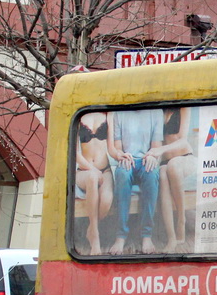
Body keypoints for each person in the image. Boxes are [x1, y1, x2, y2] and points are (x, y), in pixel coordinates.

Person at [106, 108, 164, 254]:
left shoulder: (156, 111)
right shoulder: (120, 113)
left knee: (151, 174)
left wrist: (152, 155)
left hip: (146, 159)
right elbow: (117, 147)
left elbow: (156, 146)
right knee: (123, 175)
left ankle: (146, 235)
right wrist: (122, 155)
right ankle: (120, 236)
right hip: (128, 160)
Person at [157, 108, 197, 253]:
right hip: (165, 162)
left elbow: (182, 139)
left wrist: (160, 151)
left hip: (185, 157)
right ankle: (171, 237)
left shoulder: (184, 108)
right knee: (162, 174)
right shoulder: (159, 111)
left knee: (173, 166)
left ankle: (181, 220)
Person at [74, 111, 113, 255]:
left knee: (107, 201)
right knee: (92, 178)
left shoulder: (109, 115)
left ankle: (91, 228)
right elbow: (75, 153)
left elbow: (113, 146)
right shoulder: (79, 115)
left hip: (105, 170)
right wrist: (92, 169)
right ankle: (95, 237)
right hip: (85, 171)